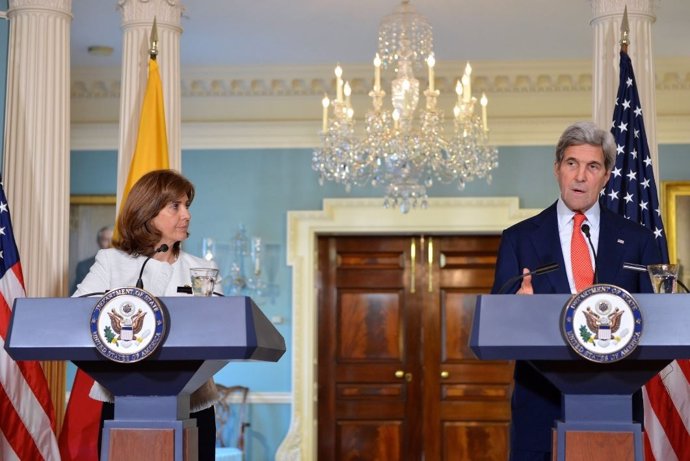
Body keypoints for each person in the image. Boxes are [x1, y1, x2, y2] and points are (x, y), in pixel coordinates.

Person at [491, 121, 662, 461]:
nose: (580, 176)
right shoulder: (519, 238)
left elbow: (655, 318)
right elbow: (498, 323)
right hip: (540, 402)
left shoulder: (639, 241)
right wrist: (517, 310)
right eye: (572, 164)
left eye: (592, 166)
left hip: (616, 401)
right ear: (557, 170)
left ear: (606, 176)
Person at [73, 169, 220, 461]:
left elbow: (220, 327)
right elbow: (78, 310)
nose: (187, 215)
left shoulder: (201, 269)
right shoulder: (111, 261)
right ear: (147, 212)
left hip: (194, 403)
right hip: (123, 399)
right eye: (175, 206)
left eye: (187, 206)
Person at [72, 225, 114, 293]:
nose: (110, 244)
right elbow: (78, 297)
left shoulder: (122, 266)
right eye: (105, 240)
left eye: (112, 240)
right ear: (98, 242)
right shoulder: (83, 267)